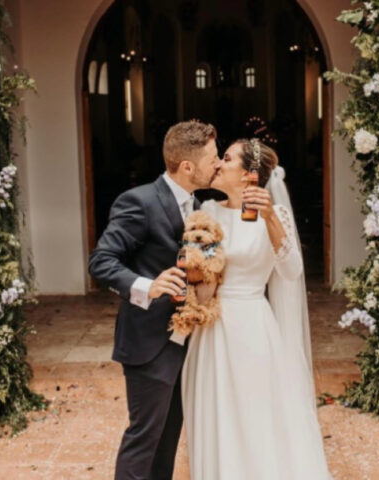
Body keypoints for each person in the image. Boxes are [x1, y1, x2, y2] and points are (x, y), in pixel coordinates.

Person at [181, 138, 332, 479]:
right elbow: (197, 268)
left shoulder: (274, 215)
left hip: (252, 325)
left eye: (227, 158)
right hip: (213, 326)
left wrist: (268, 218)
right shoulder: (205, 211)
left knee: (255, 413)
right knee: (218, 413)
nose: (218, 163)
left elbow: (291, 271)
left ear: (249, 174)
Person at [88, 120, 219, 480]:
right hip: (149, 342)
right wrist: (148, 284)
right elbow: (101, 261)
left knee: (167, 440)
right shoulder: (139, 201)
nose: (218, 163)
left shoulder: (198, 203)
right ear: (188, 166)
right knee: (144, 438)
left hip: (185, 341)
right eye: (212, 156)